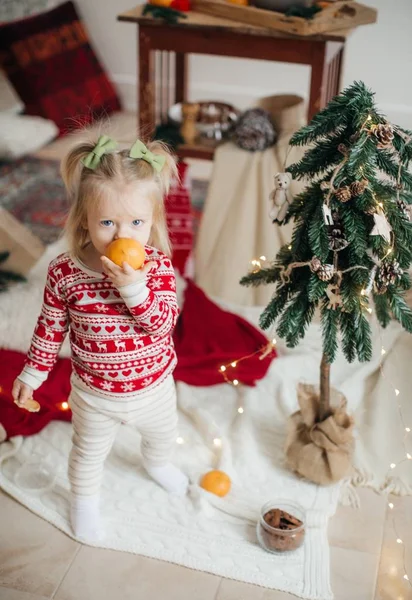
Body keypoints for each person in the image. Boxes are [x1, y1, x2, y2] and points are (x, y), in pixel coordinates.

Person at [12, 135, 188, 541]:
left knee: (162, 438)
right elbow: (50, 328)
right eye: (107, 222)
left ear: (152, 222)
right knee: (87, 455)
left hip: (154, 389)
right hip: (95, 394)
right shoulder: (65, 272)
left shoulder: (157, 268)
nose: (120, 234)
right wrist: (32, 376)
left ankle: (157, 465)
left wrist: (134, 288)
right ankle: (84, 502)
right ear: (84, 220)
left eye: (136, 223)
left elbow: (162, 324)